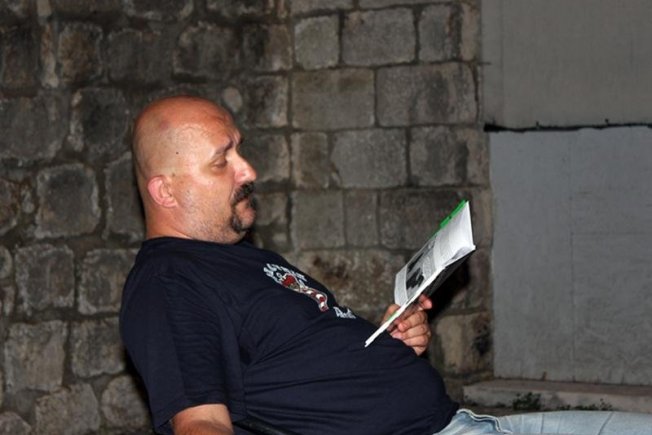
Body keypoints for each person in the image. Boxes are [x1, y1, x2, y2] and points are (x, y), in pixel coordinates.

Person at [120, 96, 652, 435]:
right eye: (223, 161)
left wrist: (387, 339)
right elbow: (201, 423)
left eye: (239, 150)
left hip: (464, 421)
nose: (248, 170)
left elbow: (296, 370)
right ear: (165, 191)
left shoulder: (238, 259)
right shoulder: (169, 284)